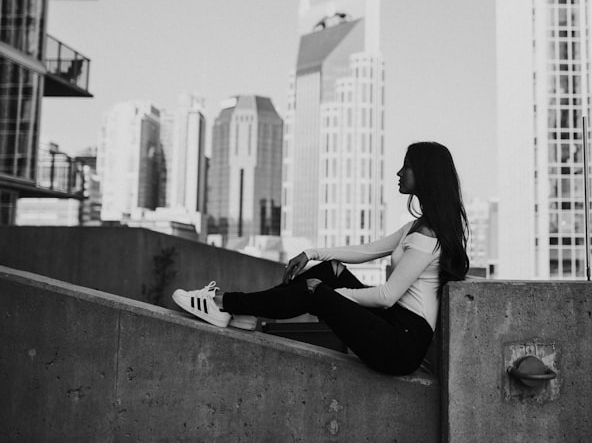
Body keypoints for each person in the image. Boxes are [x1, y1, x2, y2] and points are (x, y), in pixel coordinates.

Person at [172, 141, 470, 376]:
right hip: (394, 325)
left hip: (401, 346)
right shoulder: (416, 227)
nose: (399, 172)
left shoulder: (429, 235)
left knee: (316, 288)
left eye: (406, 166)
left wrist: (328, 296)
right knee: (331, 270)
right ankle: (246, 312)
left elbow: (387, 296)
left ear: (426, 175)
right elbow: (366, 251)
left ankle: (223, 302)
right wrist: (311, 253)